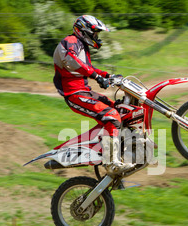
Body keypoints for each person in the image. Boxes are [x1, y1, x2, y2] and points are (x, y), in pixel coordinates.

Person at [53, 15, 134, 174]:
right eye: (95, 33)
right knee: (111, 115)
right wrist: (97, 77)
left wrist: (107, 75)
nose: (97, 37)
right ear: (84, 30)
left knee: (120, 109)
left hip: (85, 91)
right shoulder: (70, 42)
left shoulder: (81, 45)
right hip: (74, 94)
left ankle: (121, 150)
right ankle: (112, 163)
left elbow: (88, 67)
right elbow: (73, 62)